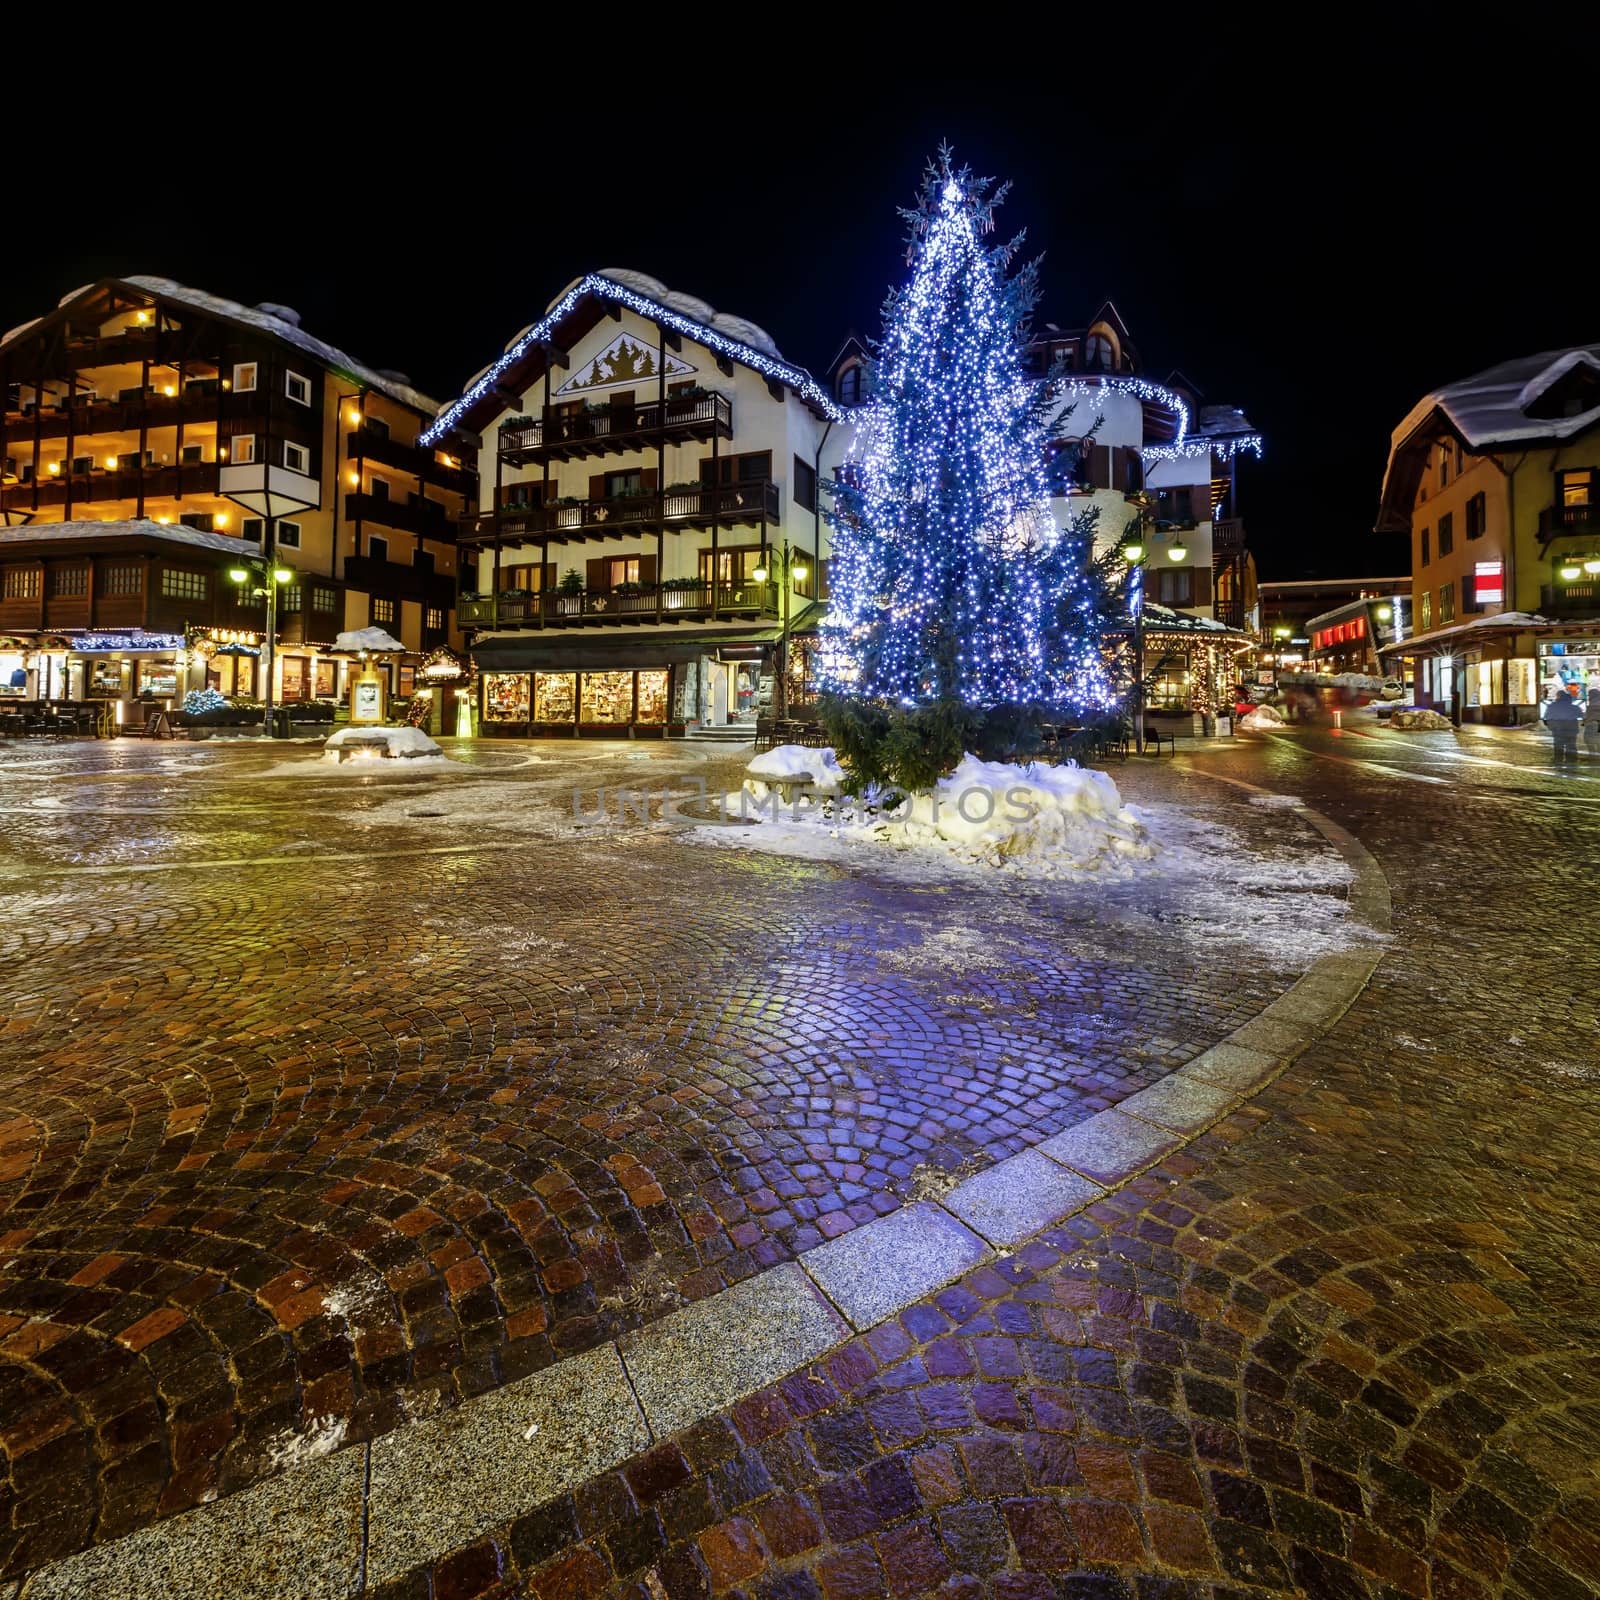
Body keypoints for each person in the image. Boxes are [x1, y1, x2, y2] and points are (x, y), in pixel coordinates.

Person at [1543, 684, 1580, 769]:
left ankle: (1558, 759)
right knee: (1571, 745)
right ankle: (1571, 760)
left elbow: (1547, 716)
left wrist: (1550, 725)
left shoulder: (1552, 706)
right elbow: (1581, 714)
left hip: (1558, 729)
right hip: (1571, 729)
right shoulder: (1573, 707)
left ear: (1558, 697)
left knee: (1558, 745)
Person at [1584, 687, 1600, 758]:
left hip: (1592, 724)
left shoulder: (1591, 704)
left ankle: (1592, 755)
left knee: (1588, 739)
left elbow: (1585, 717)